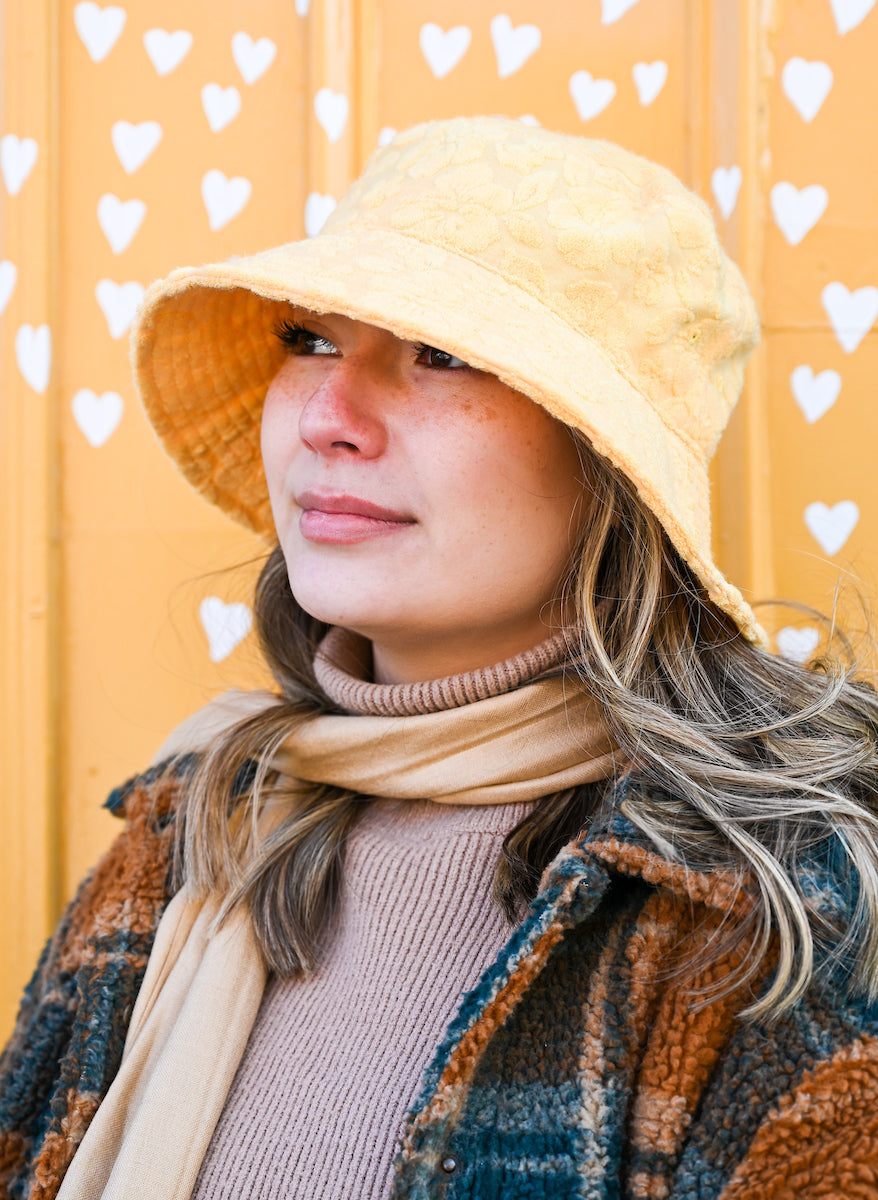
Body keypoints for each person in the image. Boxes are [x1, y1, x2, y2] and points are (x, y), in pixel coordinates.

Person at [3, 115, 878, 1200]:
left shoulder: (768, 906)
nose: (328, 414)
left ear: (607, 461)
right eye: (311, 340)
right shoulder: (190, 830)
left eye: (442, 354)